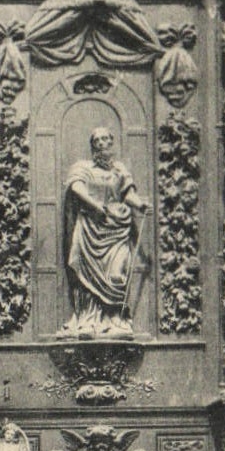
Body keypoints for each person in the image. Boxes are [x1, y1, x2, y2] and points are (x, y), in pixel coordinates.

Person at [61, 127, 149, 338]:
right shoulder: (82, 167)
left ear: (111, 142)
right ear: (92, 145)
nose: (101, 143)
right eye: (96, 140)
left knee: (117, 272)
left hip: (116, 229)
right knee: (86, 277)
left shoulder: (119, 169)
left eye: (105, 139)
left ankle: (115, 318)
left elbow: (128, 194)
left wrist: (141, 205)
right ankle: (88, 319)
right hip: (90, 228)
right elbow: (76, 188)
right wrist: (95, 205)